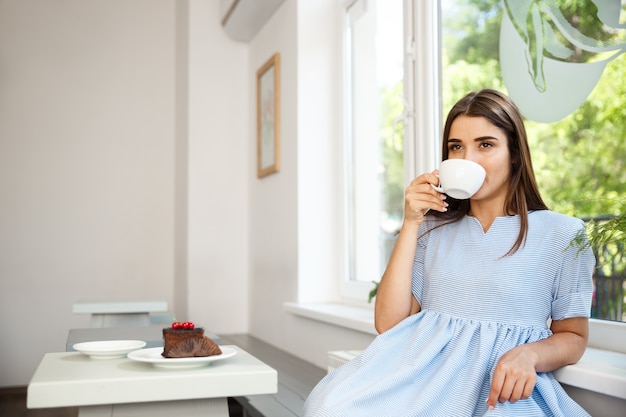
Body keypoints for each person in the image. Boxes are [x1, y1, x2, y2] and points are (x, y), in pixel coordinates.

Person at [303, 89, 595, 417]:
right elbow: (388, 323)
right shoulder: (431, 230)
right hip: (420, 379)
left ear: (514, 153)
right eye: (456, 147)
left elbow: (573, 336)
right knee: (329, 406)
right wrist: (411, 222)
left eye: (485, 145)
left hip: (502, 392)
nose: (467, 160)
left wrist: (529, 355)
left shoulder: (563, 234)